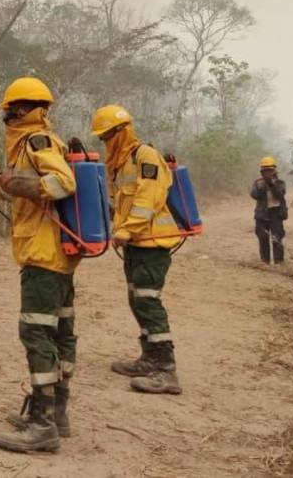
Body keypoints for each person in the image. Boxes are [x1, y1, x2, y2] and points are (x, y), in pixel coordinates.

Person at [0, 77, 79, 454]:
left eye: (8, 109)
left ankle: (42, 425)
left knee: (36, 335)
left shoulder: (36, 141)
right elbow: (14, 186)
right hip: (59, 256)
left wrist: (16, 183)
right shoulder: (34, 144)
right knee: (61, 333)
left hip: (44, 256)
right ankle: (56, 415)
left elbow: (60, 183)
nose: (5, 116)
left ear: (21, 109)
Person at [90, 104, 184, 396]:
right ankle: (149, 358)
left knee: (148, 301)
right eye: (102, 138)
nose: (106, 142)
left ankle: (166, 370)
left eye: (108, 136)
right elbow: (123, 202)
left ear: (123, 130)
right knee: (137, 301)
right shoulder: (121, 163)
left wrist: (127, 229)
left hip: (152, 244)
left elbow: (149, 198)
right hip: (135, 245)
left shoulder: (145, 155)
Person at [250, 156, 288, 265]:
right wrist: (262, 187)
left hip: (276, 214)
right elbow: (253, 195)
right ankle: (265, 262)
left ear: (274, 171)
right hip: (262, 215)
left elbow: (280, 195)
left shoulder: (280, 183)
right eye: (265, 170)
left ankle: (279, 261)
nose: (267, 173)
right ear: (262, 172)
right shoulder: (258, 183)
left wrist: (271, 185)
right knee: (263, 239)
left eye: (270, 170)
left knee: (277, 238)